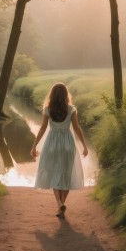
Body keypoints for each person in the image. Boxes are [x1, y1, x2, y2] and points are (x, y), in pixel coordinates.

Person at [30, 82, 88, 218]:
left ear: (52, 95)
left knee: (56, 174)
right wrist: (84, 146)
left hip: (52, 144)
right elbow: (77, 128)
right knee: (66, 175)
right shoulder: (71, 109)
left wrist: (34, 146)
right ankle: (61, 204)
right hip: (68, 144)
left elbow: (43, 128)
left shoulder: (48, 109)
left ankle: (59, 203)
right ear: (65, 95)